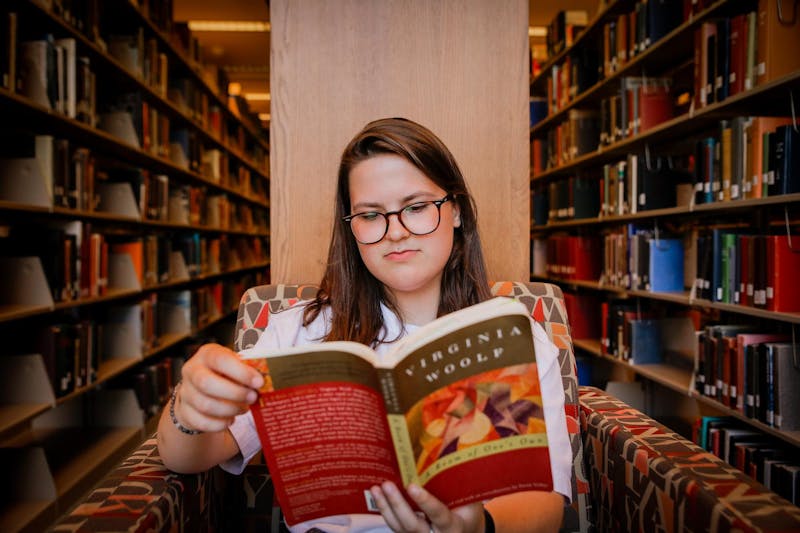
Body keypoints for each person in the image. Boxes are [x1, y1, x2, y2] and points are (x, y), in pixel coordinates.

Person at [157, 117, 572, 533]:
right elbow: (186, 458)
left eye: (416, 207)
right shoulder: (296, 334)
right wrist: (189, 408)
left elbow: (546, 507)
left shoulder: (516, 338)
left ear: (457, 211)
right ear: (351, 228)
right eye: (371, 215)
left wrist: (476, 528)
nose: (396, 232)